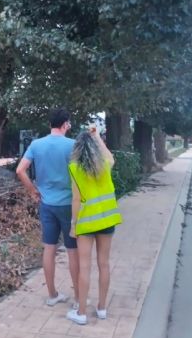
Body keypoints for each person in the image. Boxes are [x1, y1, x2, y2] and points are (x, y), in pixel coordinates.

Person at [16, 108, 79, 306]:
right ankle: (78, 298)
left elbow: (20, 170)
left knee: (49, 248)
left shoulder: (36, 145)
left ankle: (52, 295)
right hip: (69, 204)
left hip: (46, 203)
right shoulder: (73, 145)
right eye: (68, 124)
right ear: (65, 124)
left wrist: (33, 190)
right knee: (72, 251)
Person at [65, 128, 122, 325]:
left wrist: (73, 224)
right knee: (104, 264)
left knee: (84, 267)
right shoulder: (105, 164)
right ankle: (102, 308)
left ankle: (81, 313)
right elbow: (110, 156)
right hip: (107, 220)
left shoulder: (73, 167)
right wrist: (98, 137)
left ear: (77, 147)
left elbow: (76, 199)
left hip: (86, 222)